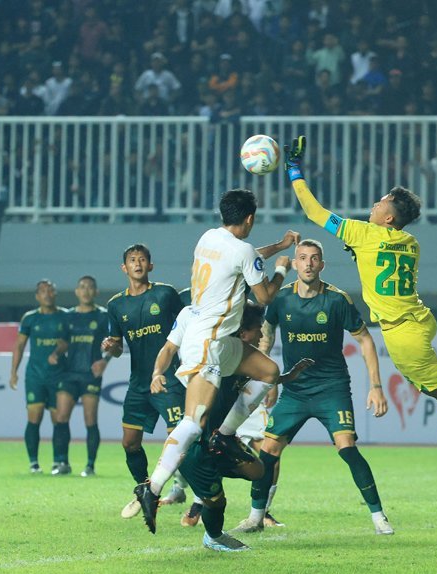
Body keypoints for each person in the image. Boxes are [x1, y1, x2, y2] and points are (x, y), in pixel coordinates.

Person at [282, 135, 437, 464]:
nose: (375, 204)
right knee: (427, 377)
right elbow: (381, 261)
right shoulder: (411, 242)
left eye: (381, 203)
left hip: (400, 332)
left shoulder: (361, 234)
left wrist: (294, 170)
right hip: (421, 320)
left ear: (388, 218)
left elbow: (314, 211)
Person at [133, 189, 300, 534]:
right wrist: (282, 269)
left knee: (269, 371)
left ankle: (224, 435)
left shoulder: (209, 237)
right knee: (194, 422)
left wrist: (279, 247)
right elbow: (265, 294)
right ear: (250, 218)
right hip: (208, 341)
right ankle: (151, 487)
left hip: (222, 340)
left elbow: (247, 258)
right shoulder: (243, 251)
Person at [235, 239, 394, 536]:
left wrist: (376, 386)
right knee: (268, 451)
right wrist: (268, 380)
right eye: (302, 258)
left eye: (314, 258)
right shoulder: (281, 299)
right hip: (294, 391)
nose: (308, 263)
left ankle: (379, 516)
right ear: (294, 264)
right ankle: (256, 517)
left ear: (322, 265)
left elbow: (365, 339)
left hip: (331, 389)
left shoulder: (337, 300)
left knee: (347, 449)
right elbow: (266, 338)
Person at [152, 302, 313, 551]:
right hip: (198, 448)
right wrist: (157, 374)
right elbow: (171, 349)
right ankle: (213, 534)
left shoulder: (241, 361)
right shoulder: (210, 368)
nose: (261, 335)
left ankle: (206, 486)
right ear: (241, 332)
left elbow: (266, 374)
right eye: (257, 329)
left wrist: (286, 377)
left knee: (258, 471)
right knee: (217, 502)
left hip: (219, 443)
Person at [101, 244, 185, 519]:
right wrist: (111, 346)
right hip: (138, 384)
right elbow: (116, 348)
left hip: (169, 380)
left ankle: (201, 496)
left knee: (180, 442)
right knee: (130, 443)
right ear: (124, 268)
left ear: (151, 266)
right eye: (132, 260)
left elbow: (189, 326)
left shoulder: (165, 294)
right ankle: (144, 489)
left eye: (143, 260)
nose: (137, 264)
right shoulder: (116, 305)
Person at [51, 275, 111, 477]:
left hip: (90, 375)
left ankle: (90, 465)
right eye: (82, 287)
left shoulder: (102, 316)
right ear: (77, 291)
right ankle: (62, 463)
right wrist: (56, 353)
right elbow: (64, 343)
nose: (86, 291)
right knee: (61, 417)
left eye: (90, 287)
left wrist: (105, 360)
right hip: (69, 373)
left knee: (90, 419)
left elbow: (114, 343)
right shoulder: (68, 316)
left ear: (96, 292)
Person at [10, 280, 68, 473]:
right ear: (37, 296)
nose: (47, 294)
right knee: (34, 417)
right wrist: (13, 372)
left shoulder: (65, 317)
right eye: (43, 291)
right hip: (35, 375)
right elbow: (19, 345)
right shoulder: (30, 318)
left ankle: (59, 462)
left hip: (59, 375)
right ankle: (33, 463)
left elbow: (68, 343)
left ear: (55, 294)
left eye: (50, 290)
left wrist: (58, 352)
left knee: (58, 419)